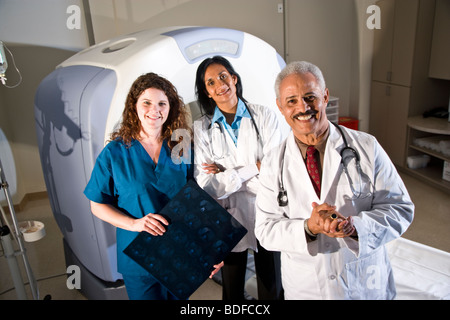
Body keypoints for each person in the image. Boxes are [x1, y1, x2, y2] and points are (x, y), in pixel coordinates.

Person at [254, 61, 414, 300]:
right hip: (306, 286)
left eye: (310, 97)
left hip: (363, 281)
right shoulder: (272, 162)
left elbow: (401, 209)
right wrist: (309, 227)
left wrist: (356, 228)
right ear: (280, 106)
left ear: (325, 96)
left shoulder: (367, 147)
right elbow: (265, 231)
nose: (303, 107)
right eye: (292, 101)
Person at [83, 72, 220, 300]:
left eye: (162, 104)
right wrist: (135, 223)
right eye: (146, 102)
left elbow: (198, 198)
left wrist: (211, 246)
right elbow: (96, 205)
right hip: (138, 257)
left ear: (170, 108)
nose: (154, 110)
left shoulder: (180, 143)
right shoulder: (115, 153)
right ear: (134, 106)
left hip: (179, 249)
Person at [193, 56, 286, 300]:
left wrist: (227, 173)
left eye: (223, 76)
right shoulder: (201, 127)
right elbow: (207, 186)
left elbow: (273, 171)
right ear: (207, 92)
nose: (219, 84)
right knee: (232, 289)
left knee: (272, 285)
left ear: (234, 79)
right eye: (211, 82)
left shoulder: (264, 116)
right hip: (228, 216)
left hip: (267, 210)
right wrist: (253, 167)